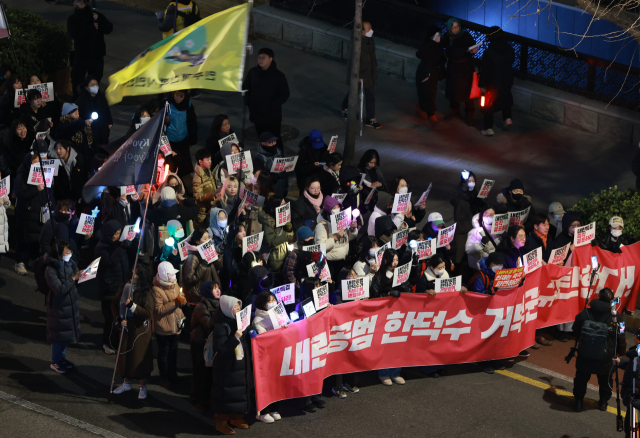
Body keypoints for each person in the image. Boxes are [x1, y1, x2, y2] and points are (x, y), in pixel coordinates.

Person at [572, 288, 626, 412]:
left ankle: (579, 402)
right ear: (611, 301)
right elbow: (621, 337)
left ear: (598, 298)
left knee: (581, 379)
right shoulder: (618, 318)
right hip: (605, 357)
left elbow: (575, 328)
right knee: (605, 381)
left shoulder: (585, 313)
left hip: (585, 354)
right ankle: (603, 402)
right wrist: (620, 352)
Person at [111, 267, 155, 400]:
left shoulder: (146, 292)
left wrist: (133, 306)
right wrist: (118, 319)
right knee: (125, 356)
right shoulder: (126, 287)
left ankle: (143, 387)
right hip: (126, 327)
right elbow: (114, 303)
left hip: (140, 329)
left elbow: (148, 312)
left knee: (139, 358)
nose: (133, 275)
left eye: (136, 273)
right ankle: (126, 383)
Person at [212, 295, 252, 435]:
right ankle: (221, 422)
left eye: (239, 306)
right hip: (227, 368)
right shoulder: (221, 326)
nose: (238, 309)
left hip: (240, 365)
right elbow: (221, 349)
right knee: (226, 394)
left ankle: (236, 417)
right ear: (227, 309)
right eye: (235, 307)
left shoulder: (240, 321)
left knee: (239, 393)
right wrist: (235, 338)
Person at [370, 249, 408, 385]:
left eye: (397, 260)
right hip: (384, 316)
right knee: (385, 345)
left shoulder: (401, 274)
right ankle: (383, 373)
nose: (395, 263)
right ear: (385, 260)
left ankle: (395, 372)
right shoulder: (379, 276)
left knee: (398, 344)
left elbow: (408, 289)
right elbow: (374, 296)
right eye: (393, 260)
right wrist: (388, 294)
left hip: (399, 313)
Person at [15, 152, 56, 275]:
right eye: (34, 162)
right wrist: (35, 189)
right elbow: (21, 194)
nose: (37, 164)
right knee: (23, 238)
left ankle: (33, 259)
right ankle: (19, 262)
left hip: (40, 213)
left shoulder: (45, 174)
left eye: (39, 161)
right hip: (26, 214)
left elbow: (50, 193)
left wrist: (52, 206)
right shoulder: (21, 176)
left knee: (36, 239)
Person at [44, 240, 82, 373]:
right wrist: (73, 279)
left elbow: (76, 278)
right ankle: (55, 361)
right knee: (57, 334)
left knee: (66, 333)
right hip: (58, 306)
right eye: (67, 252)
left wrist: (81, 277)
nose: (69, 254)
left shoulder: (71, 264)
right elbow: (59, 289)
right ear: (59, 253)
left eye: (70, 252)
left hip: (70, 304)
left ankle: (62, 358)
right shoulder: (50, 269)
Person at [243, 48, 290, 150]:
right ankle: (265, 157)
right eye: (259, 57)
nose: (260, 60)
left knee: (275, 138)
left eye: (263, 57)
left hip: (272, 116)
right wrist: (247, 101)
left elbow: (285, 94)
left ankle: (278, 158)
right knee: (262, 138)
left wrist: (273, 105)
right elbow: (245, 87)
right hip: (257, 114)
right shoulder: (253, 72)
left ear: (271, 59)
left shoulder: (278, 76)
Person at [95, 220, 130, 354]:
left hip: (118, 286)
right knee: (110, 318)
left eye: (119, 232)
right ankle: (107, 343)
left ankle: (115, 341)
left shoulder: (116, 245)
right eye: (116, 233)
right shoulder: (101, 247)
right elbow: (110, 262)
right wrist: (121, 248)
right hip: (108, 288)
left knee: (118, 317)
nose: (118, 235)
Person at [67, 0, 113, 97]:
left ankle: (94, 100)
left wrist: (99, 19)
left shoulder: (96, 16)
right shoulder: (73, 19)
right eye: (78, 1)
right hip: (82, 56)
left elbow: (109, 28)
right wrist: (91, 28)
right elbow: (76, 35)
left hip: (97, 55)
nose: (82, 3)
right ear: (74, 3)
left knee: (96, 80)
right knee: (78, 81)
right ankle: (78, 102)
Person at [341, 21, 381, 129]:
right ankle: (345, 107)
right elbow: (354, 61)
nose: (370, 31)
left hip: (369, 74)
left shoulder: (369, 40)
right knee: (353, 93)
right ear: (362, 31)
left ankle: (370, 119)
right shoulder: (357, 44)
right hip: (360, 76)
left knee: (370, 97)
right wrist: (356, 76)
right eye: (368, 29)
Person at [252, 290, 284, 423]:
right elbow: (263, 338)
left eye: (273, 300)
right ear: (262, 303)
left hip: (278, 353)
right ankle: (263, 411)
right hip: (266, 357)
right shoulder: (258, 319)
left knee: (277, 383)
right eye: (269, 301)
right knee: (265, 384)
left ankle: (274, 408)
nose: (272, 303)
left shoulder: (277, 314)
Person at [153, 261, 185, 389]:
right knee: (164, 354)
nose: (173, 276)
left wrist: (183, 301)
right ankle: (164, 377)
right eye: (171, 274)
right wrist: (176, 302)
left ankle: (173, 375)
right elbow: (158, 310)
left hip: (175, 326)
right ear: (164, 275)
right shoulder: (156, 290)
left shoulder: (175, 284)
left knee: (173, 353)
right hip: (163, 329)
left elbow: (181, 299)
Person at [189, 280, 220, 411]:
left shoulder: (216, 304)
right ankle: (196, 400)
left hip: (210, 343)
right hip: (200, 344)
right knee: (200, 373)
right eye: (214, 289)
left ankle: (206, 399)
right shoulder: (201, 306)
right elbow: (208, 324)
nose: (218, 290)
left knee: (209, 373)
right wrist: (220, 311)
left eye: (218, 287)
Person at [478, 26, 514, 136]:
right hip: (507, 79)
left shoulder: (489, 52)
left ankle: (488, 128)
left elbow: (485, 70)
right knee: (506, 98)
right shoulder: (509, 48)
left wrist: (481, 84)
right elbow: (512, 60)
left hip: (493, 82)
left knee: (488, 104)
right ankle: (507, 119)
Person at [442, 18, 478, 126]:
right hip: (453, 67)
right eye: (453, 28)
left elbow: (473, 47)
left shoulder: (466, 36)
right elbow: (447, 50)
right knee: (453, 90)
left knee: (467, 92)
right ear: (449, 28)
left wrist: (473, 51)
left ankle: (470, 115)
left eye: (457, 27)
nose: (455, 29)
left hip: (465, 67)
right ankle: (455, 111)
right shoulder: (447, 37)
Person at [314, 196, 358, 276]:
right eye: (334, 208)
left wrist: (352, 229)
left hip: (343, 261)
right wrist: (335, 238)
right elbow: (320, 247)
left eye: (338, 207)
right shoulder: (322, 225)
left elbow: (347, 238)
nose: (336, 209)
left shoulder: (341, 220)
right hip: (331, 264)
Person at [183, 228, 222, 309]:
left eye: (208, 237)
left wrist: (217, 257)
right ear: (197, 242)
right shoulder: (193, 257)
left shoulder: (207, 251)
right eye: (205, 238)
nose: (208, 240)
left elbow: (219, 267)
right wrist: (203, 266)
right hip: (200, 298)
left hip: (210, 295)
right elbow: (189, 279)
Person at [451, 170, 484, 266]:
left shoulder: (475, 194)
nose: (471, 182)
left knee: (473, 255)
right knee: (459, 256)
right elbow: (453, 201)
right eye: (469, 181)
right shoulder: (459, 193)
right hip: (461, 230)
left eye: (473, 180)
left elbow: (480, 207)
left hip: (473, 229)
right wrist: (464, 189)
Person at [415, 24, 446, 125]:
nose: (438, 37)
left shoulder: (440, 46)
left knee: (431, 93)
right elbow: (419, 54)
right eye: (436, 35)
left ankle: (422, 108)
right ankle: (431, 116)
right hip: (425, 73)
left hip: (434, 74)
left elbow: (442, 59)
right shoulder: (426, 45)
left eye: (439, 35)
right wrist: (431, 44)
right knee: (427, 93)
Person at [165, 90, 198, 178]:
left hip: (182, 141)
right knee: (170, 167)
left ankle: (187, 189)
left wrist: (192, 140)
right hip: (169, 141)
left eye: (181, 96)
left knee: (184, 168)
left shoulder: (189, 106)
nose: (177, 98)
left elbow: (192, 123)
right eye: (176, 95)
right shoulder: (167, 104)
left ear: (185, 96)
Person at [75, 76, 112, 147]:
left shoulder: (101, 98)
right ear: (86, 88)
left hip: (103, 130)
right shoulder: (81, 101)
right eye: (92, 85)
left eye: (96, 84)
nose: (95, 86)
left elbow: (107, 111)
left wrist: (109, 124)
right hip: (90, 132)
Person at [260, 196, 295, 273]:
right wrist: (285, 237)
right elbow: (270, 242)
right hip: (275, 260)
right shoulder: (268, 223)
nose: (284, 206)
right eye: (281, 204)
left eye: (284, 203)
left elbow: (291, 237)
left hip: (285, 256)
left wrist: (289, 229)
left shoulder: (285, 218)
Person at [52, 140, 85, 204]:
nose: (58, 151)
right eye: (56, 149)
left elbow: (83, 178)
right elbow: (57, 183)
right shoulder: (56, 162)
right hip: (64, 199)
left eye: (60, 148)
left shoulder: (79, 160)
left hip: (79, 197)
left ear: (67, 148)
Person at [192, 148, 219, 227]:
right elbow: (197, 196)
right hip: (203, 212)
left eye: (210, 159)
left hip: (211, 207)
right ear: (200, 162)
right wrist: (212, 195)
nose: (210, 162)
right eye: (207, 160)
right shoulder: (197, 178)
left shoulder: (207, 170)